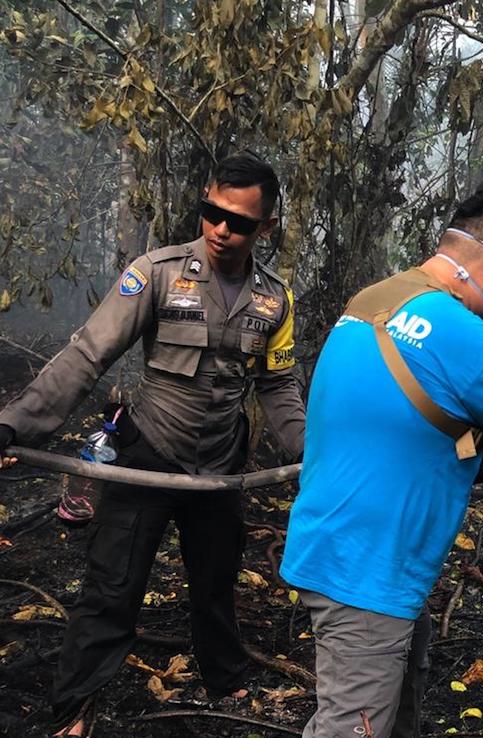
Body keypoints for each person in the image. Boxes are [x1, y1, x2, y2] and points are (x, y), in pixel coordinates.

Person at [0, 151, 305, 737]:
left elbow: (277, 384)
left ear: (266, 227)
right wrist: (14, 423)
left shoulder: (275, 300)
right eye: (211, 213)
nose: (220, 230)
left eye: (239, 222)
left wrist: (308, 453)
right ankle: (76, 705)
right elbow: (89, 353)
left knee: (215, 582)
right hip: (149, 455)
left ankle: (225, 675)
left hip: (220, 468)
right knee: (112, 589)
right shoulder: (158, 272)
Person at [280, 187, 483, 738]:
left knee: (398, 706)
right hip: (368, 573)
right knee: (351, 727)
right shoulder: (469, 337)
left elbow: (393, 418)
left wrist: (479, 455)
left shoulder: (371, 301)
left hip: (339, 544)